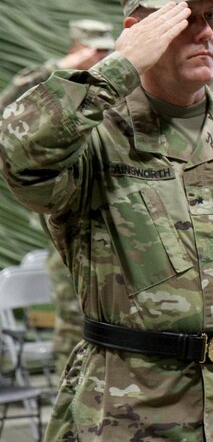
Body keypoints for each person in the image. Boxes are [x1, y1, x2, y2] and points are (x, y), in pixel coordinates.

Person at [0, 0, 213, 441]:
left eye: (212, 17)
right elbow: (19, 153)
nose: (205, 33)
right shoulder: (95, 135)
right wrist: (117, 68)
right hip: (132, 410)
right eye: (184, 19)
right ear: (137, 31)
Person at [1, 19, 115, 376]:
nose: (101, 57)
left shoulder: (110, 90)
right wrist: (58, 70)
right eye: (94, 50)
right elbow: (9, 119)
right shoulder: (50, 86)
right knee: (73, 334)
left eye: (106, 51)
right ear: (76, 49)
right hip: (67, 225)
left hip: (113, 229)